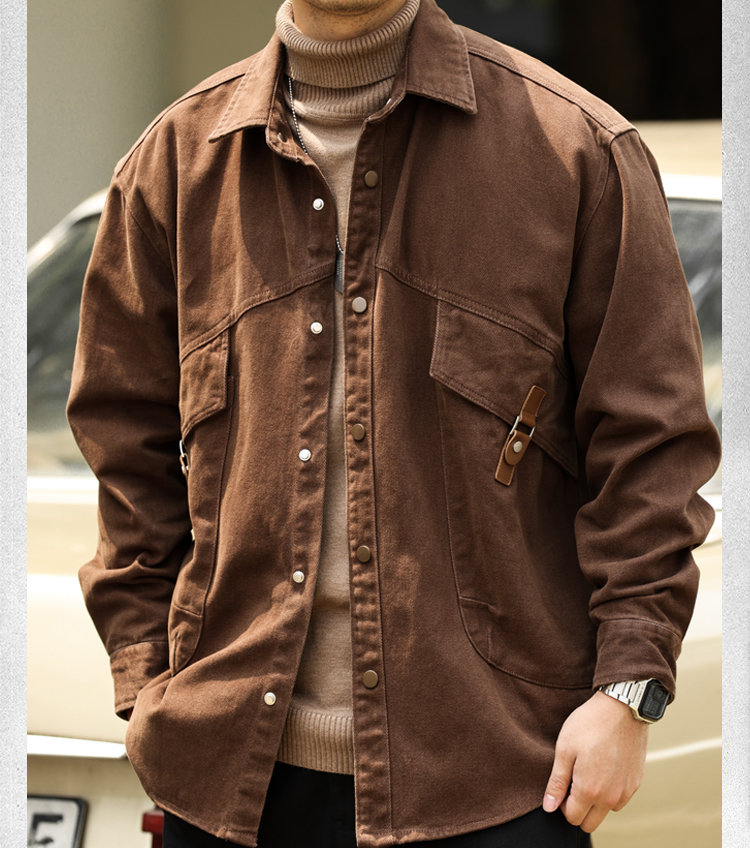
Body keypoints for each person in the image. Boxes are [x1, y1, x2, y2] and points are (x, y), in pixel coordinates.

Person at [66, 0, 721, 846]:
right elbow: (125, 444)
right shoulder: (175, 163)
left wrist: (627, 695)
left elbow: (653, 448)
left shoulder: (575, 149)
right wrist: (147, 680)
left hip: (496, 782)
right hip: (226, 784)